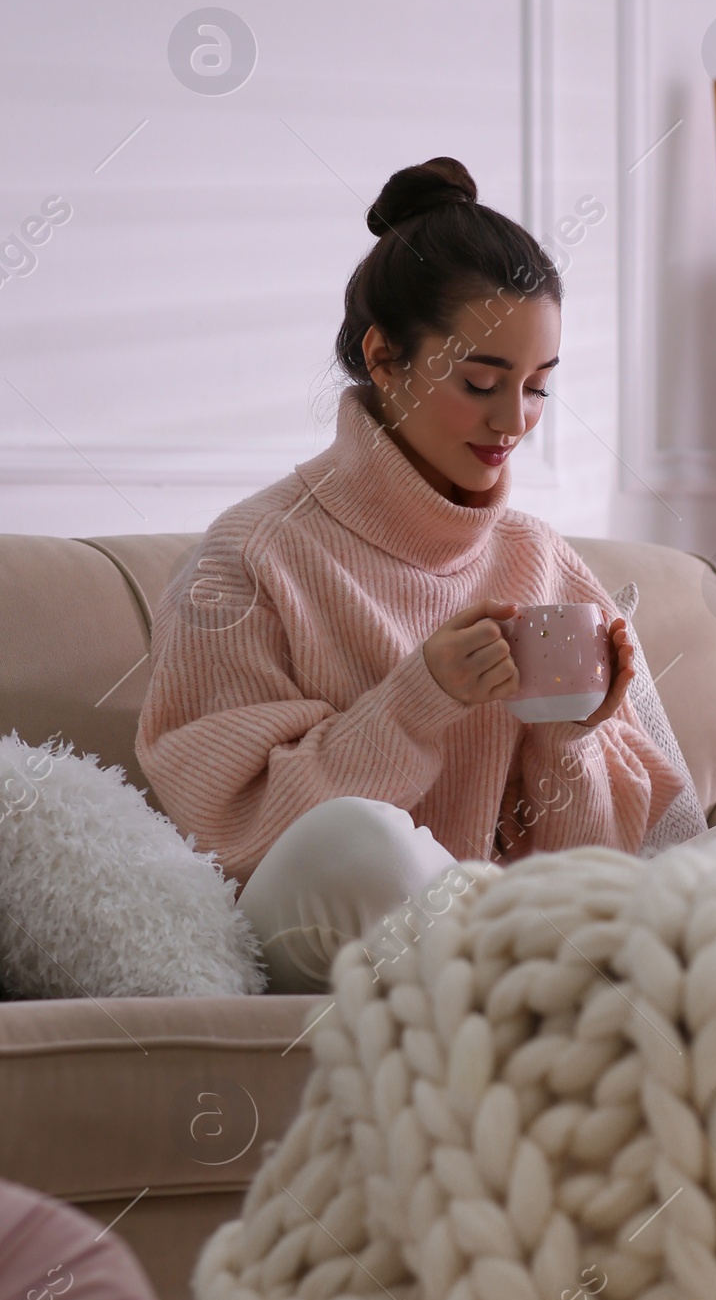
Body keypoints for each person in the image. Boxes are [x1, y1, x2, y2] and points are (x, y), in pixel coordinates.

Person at [137, 157, 687, 991]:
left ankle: (542, 1007)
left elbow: (610, 867)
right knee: (357, 841)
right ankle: (541, 1003)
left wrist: (569, 740)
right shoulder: (249, 557)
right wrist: (416, 700)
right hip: (324, 924)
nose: (514, 423)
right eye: (480, 383)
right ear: (385, 358)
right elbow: (227, 829)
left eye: (538, 390)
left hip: (515, 948)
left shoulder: (545, 563)